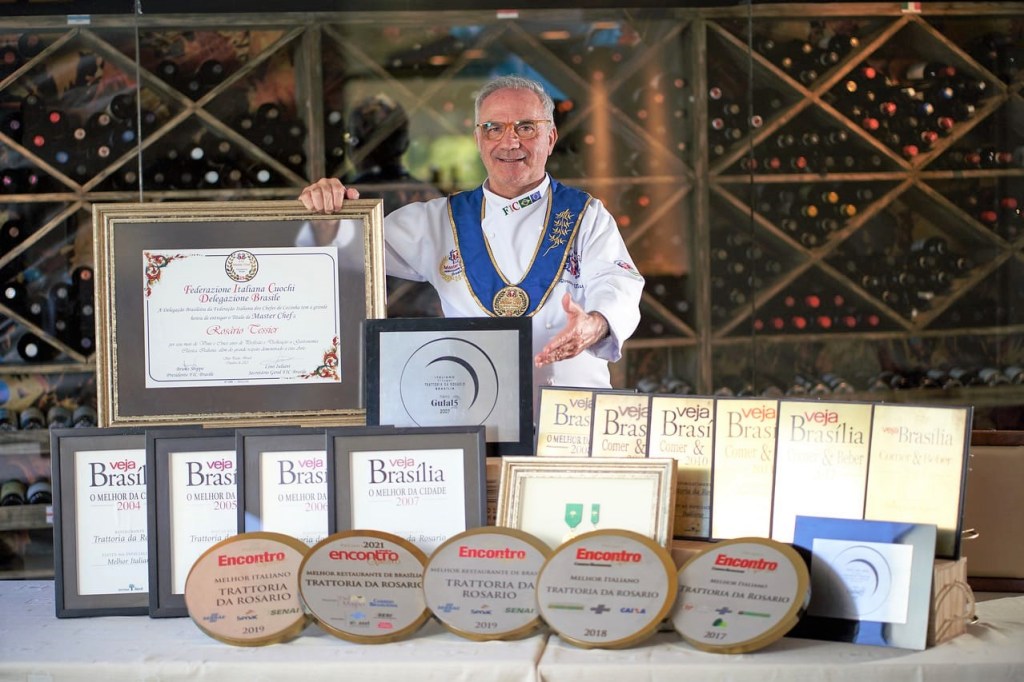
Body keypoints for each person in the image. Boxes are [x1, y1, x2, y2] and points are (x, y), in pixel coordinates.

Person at [299, 74, 644, 403]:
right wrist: (326, 210)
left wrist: (595, 324)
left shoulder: (586, 215)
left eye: (526, 127)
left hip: (571, 411)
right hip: (476, 410)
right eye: (494, 128)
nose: (510, 142)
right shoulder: (439, 220)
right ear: (478, 140)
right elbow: (348, 247)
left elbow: (618, 283)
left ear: (550, 138)